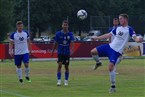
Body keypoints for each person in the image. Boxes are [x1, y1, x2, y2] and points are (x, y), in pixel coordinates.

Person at [91, 14, 143, 93]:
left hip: (116, 51)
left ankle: (113, 87)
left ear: (125, 19)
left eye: (120, 19)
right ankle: (98, 63)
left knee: (110, 68)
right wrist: (97, 38)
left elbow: (135, 37)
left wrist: (138, 39)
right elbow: (108, 35)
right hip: (109, 47)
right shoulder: (117, 28)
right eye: (119, 19)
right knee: (93, 52)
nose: (119, 20)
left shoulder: (129, 29)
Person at [51, 20, 74, 86]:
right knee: (60, 65)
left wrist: (72, 50)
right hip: (60, 52)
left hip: (67, 53)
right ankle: (59, 81)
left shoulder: (70, 34)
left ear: (68, 26)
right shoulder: (58, 34)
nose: (65, 26)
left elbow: (72, 42)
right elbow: (55, 43)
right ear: (62, 25)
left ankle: (66, 81)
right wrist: (52, 51)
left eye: (66, 25)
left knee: (66, 67)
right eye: (64, 25)